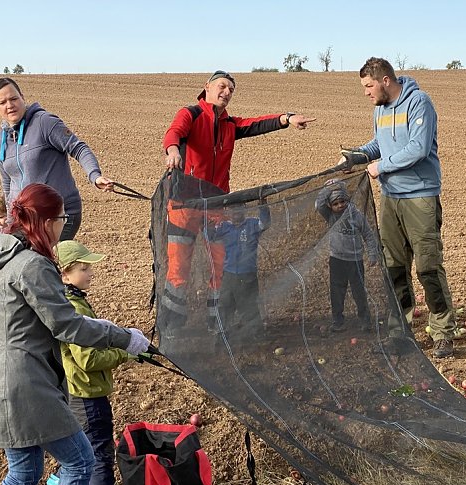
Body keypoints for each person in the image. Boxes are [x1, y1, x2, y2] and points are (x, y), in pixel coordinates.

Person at [0, 183, 150, 485]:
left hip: (1, 380)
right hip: (26, 383)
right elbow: (67, 325)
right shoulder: (32, 265)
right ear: (46, 221)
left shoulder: (3, 259)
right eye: (61, 220)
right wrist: (123, 337)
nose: (63, 227)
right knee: (80, 460)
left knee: (23, 472)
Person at [159, 70, 315, 333]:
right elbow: (174, 132)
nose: (227, 92)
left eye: (231, 89)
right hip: (184, 204)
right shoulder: (191, 114)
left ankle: (216, 324)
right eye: (222, 86)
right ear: (207, 87)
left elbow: (258, 123)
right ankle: (172, 328)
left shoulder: (231, 125)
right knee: (178, 268)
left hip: (217, 205)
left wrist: (287, 118)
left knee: (221, 266)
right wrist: (173, 150)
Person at [346, 57, 457, 359]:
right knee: (393, 267)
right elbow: (379, 143)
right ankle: (400, 330)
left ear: (385, 81)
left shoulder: (419, 102)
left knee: (428, 267)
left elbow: (418, 149)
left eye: (368, 86)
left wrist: (380, 167)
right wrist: (357, 155)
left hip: (420, 195)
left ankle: (443, 332)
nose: (366, 92)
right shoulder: (380, 110)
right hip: (391, 198)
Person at [32, 240, 134, 485]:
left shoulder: (67, 301)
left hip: (73, 393)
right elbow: (88, 359)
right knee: (99, 453)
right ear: (64, 275)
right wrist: (125, 352)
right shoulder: (74, 307)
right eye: (83, 268)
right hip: (87, 393)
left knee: (77, 452)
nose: (90, 273)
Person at [0, 77, 114, 241]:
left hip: (59, 215)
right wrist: (10, 223)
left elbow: (78, 148)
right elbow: (7, 183)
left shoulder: (44, 123)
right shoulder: (0, 140)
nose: (10, 105)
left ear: (22, 97)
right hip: (27, 219)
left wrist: (95, 176)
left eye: (14, 98)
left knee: (42, 263)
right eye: (3, 102)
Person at [315, 180, 380, 332]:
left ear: (347, 199)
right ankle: (338, 321)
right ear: (330, 206)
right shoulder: (330, 216)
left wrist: (372, 254)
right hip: (337, 259)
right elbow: (319, 204)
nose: (340, 206)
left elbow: (368, 235)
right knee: (337, 292)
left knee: (359, 291)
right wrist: (328, 188)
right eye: (336, 203)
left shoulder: (356, 216)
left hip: (355, 260)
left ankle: (365, 321)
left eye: (342, 201)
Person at [209, 204, 271, 339]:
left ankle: (256, 335)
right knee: (225, 304)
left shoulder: (252, 224)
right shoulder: (225, 226)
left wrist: (263, 205)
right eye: (233, 209)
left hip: (247, 275)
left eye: (239, 208)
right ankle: (222, 334)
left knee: (249, 306)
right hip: (229, 274)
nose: (236, 212)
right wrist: (208, 222)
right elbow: (211, 235)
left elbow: (265, 224)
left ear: (244, 210)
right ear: (229, 212)